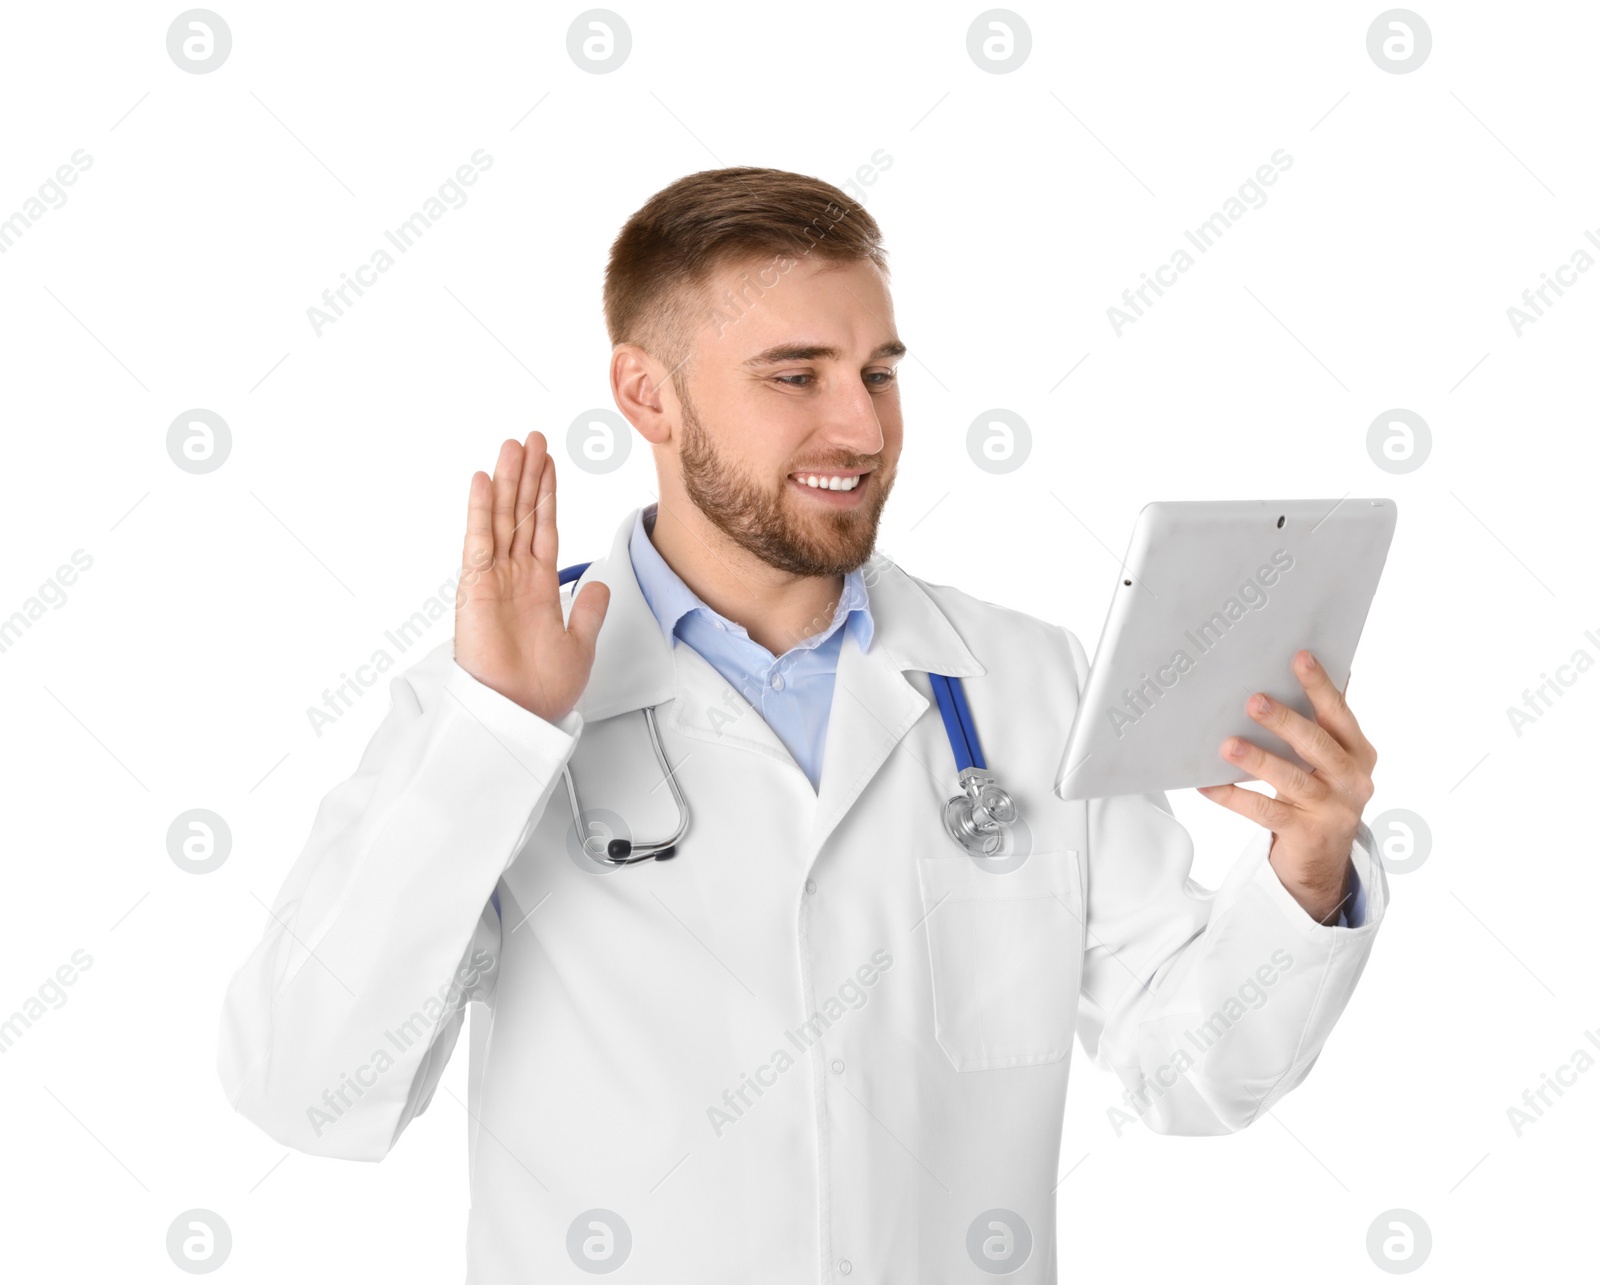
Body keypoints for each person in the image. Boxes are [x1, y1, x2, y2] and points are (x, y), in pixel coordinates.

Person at [217, 167, 1386, 1282]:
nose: (863, 430)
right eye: (796, 375)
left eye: (877, 373)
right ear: (647, 396)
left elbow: (1193, 1072)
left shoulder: (1022, 682)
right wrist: (499, 732)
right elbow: (308, 1089)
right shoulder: (488, 700)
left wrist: (1305, 871)